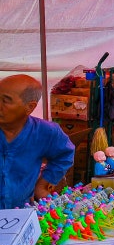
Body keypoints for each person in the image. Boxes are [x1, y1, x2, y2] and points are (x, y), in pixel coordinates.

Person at [0, 75, 75, 209]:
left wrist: (43, 184)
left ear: (30, 107)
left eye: (6, 100)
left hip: (21, 212)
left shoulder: (45, 132)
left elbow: (65, 154)